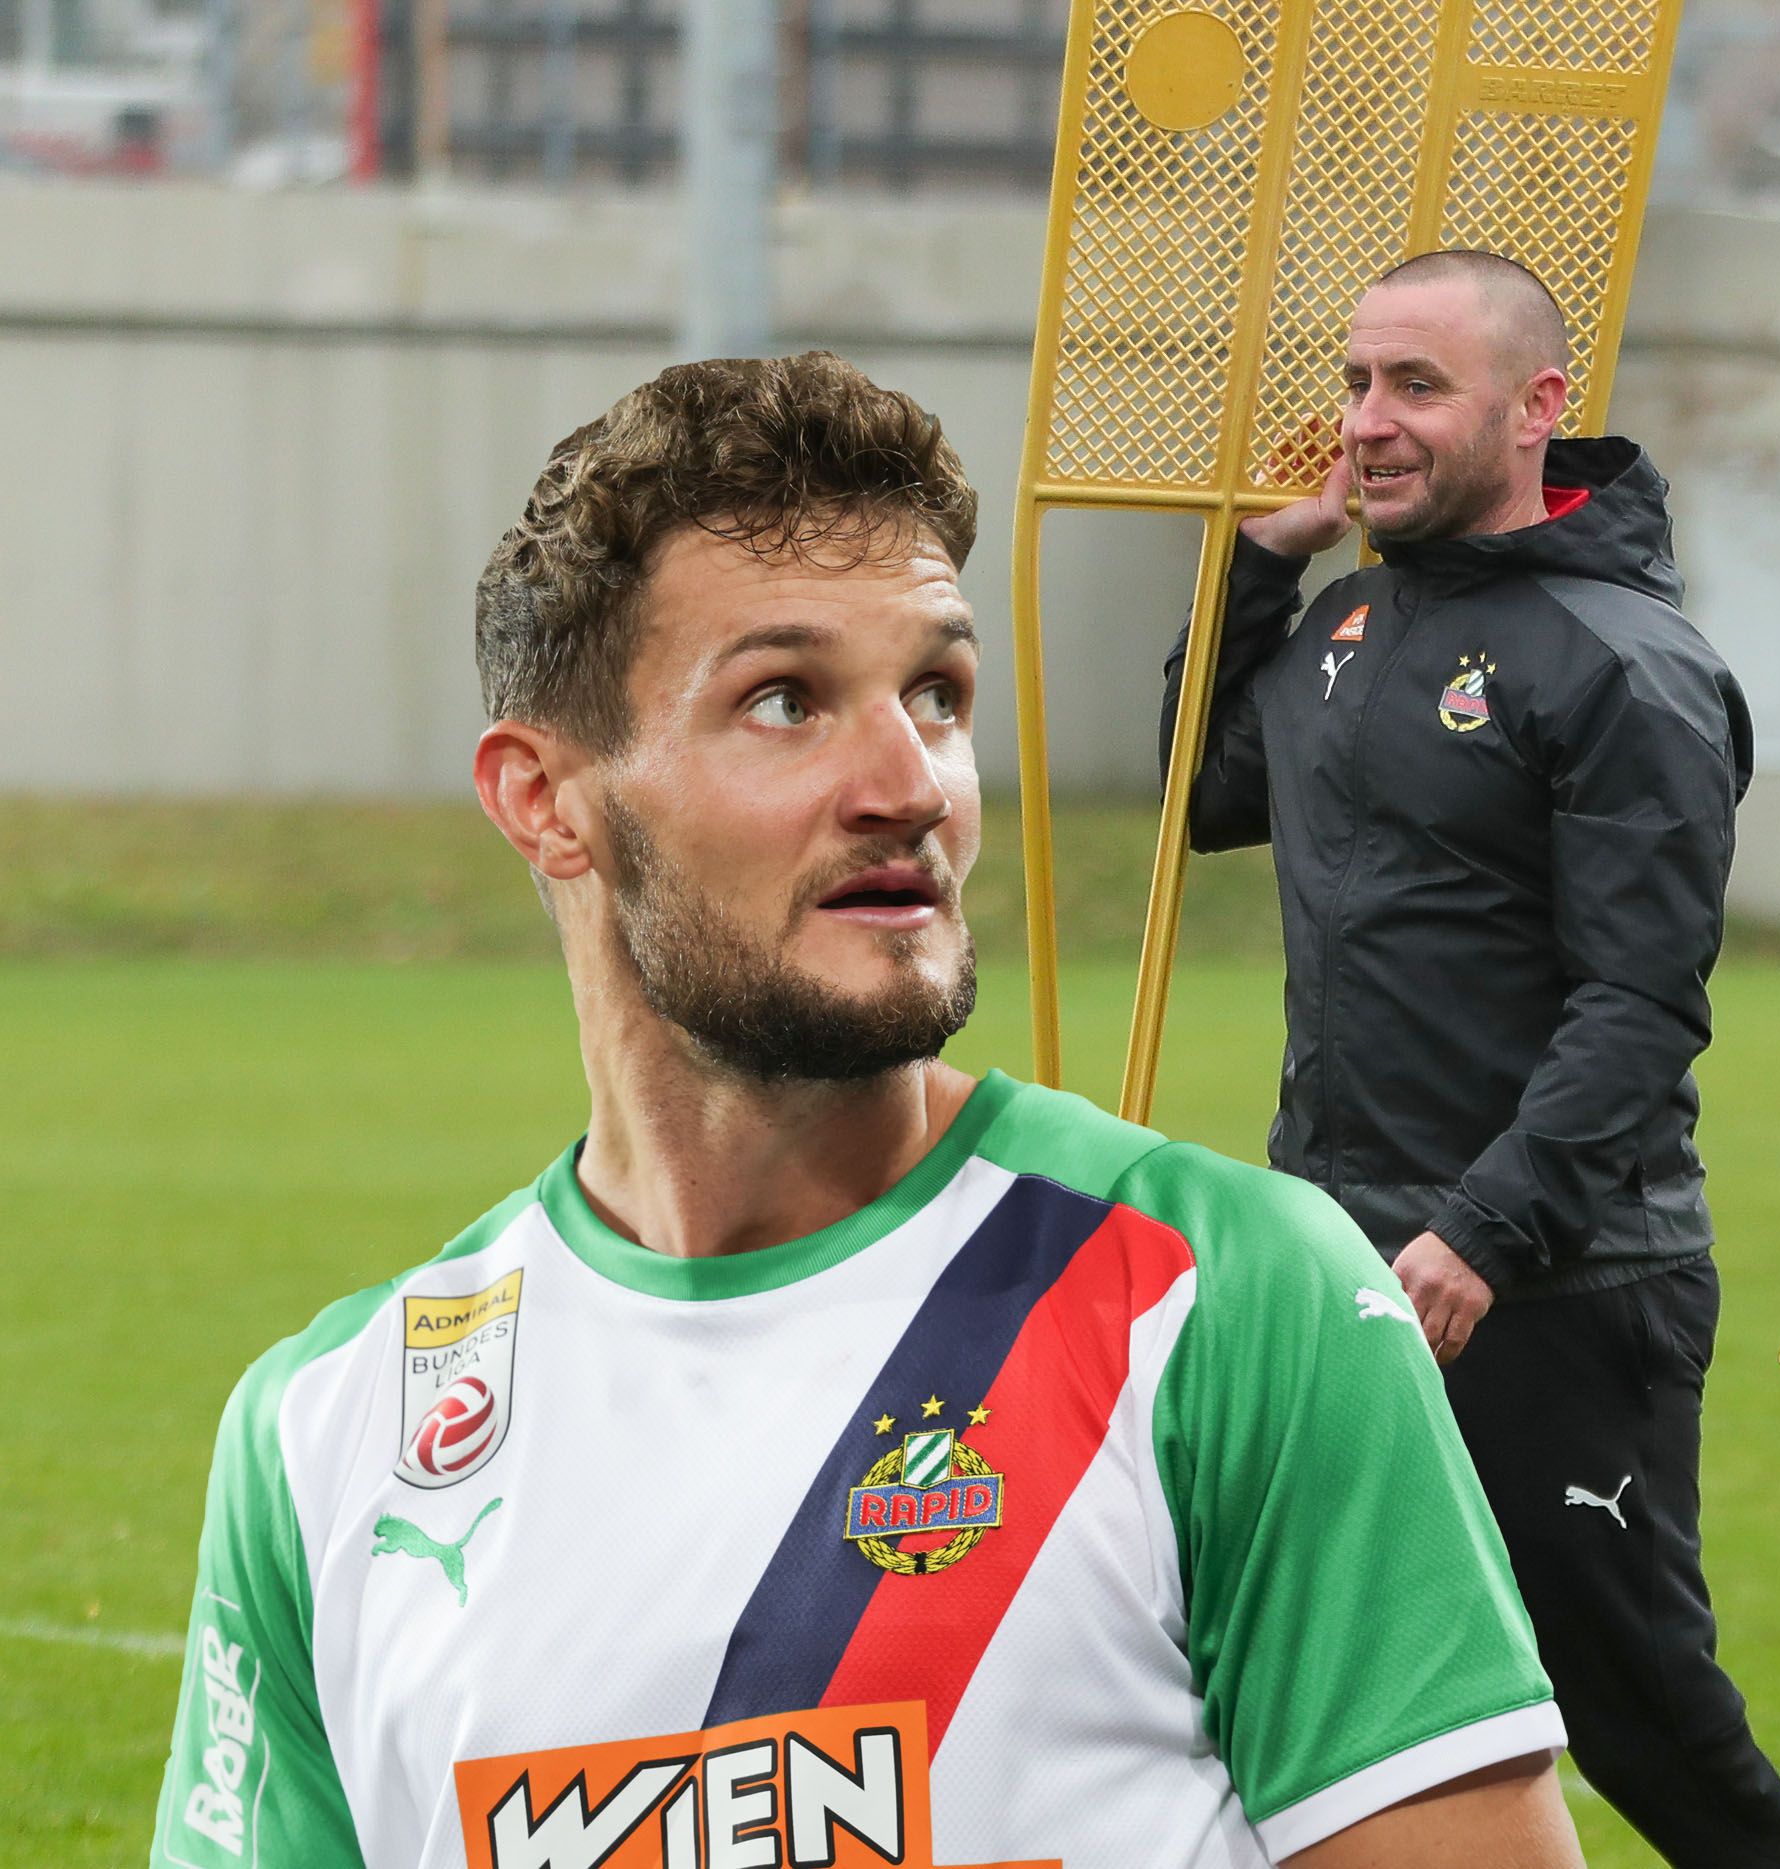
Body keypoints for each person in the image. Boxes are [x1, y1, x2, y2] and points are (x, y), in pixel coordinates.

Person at [146, 352, 1586, 1869]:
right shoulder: (329, 1429)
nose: (909, 781)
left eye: (936, 693)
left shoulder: (1232, 1299)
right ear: (544, 799)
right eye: (785, 701)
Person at [1162, 250, 1780, 1869]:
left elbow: (1639, 1010)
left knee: (1639, 1715)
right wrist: (1260, 567)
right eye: (1357, 382)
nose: (1367, 422)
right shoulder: (1349, 619)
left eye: (1415, 387)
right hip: (1332, 1254)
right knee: (1273, 1686)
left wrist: (1481, 1231)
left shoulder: (1625, 665)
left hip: (1550, 1278)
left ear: (1539, 409)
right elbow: (1199, 791)